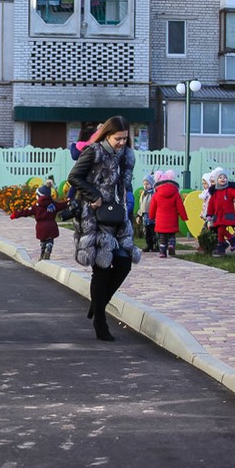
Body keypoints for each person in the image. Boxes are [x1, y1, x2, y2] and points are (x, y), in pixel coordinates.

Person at [67, 115, 141, 341]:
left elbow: (124, 184)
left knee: (124, 263)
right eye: (118, 138)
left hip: (117, 217)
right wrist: (94, 195)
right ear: (107, 135)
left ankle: (98, 304)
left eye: (125, 138)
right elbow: (74, 177)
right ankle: (100, 321)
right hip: (95, 217)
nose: (122, 142)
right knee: (102, 268)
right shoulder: (94, 151)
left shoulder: (125, 156)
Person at [9, 179, 67, 261]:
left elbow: (26, 212)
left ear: (39, 196)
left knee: (43, 240)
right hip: (52, 225)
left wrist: (15, 214)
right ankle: (49, 246)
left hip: (41, 226)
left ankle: (43, 252)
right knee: (50, 239)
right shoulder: (53, 204)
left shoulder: (36, 206)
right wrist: (68, 202)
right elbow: (62, 205)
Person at [148, 169, 189, 258]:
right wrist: (184, 217)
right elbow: (180, 206)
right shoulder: (176, 193)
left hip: (160, 220)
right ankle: (171, 245)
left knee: (162, 237)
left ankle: (162, 252)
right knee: (171, 235)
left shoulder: (156, 194)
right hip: (172, 219)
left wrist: (151, 217)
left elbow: (152, 207)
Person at [206, 167, 235, 256]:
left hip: (227, 215)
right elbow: (211, 205)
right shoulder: (215, 193)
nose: (223, 179)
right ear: (217, 180)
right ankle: (222, 247)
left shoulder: (229, 190)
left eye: (225, 177)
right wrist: (209, 214)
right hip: (218, 216)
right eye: (220, 177)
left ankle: (233, 240)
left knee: (221, 229)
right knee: (220, 230)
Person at [136, 174, 156, 252]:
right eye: (144, 184)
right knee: (146, 232)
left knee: (153, 231)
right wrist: (139, 215)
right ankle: (149, 245)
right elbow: (141, 205)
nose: (145, 186)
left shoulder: (153, 193)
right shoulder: (143, 194)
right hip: (145, 215)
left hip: (152, 215)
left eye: (147, 184)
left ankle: (155, 245)